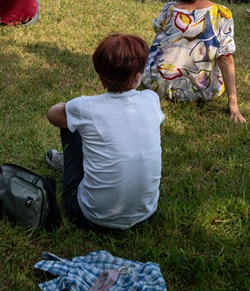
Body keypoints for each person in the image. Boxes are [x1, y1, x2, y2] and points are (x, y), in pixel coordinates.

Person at [44, 33, 164, 231]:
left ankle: (72, 166)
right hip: (146, 213)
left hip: (92, 216)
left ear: (101, 77)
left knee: (69, 125)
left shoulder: (84, 107)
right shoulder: (151, 99)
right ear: (138, 75)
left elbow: (52, 115)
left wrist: (69, 107)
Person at [143, 0, 246, 123]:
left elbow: (156, 27)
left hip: (159, 84)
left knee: (162, 34)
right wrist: (233, 103)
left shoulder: (170, 8)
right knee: (216, 48)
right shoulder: (221, 13)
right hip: (202, 90)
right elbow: (225, 58)